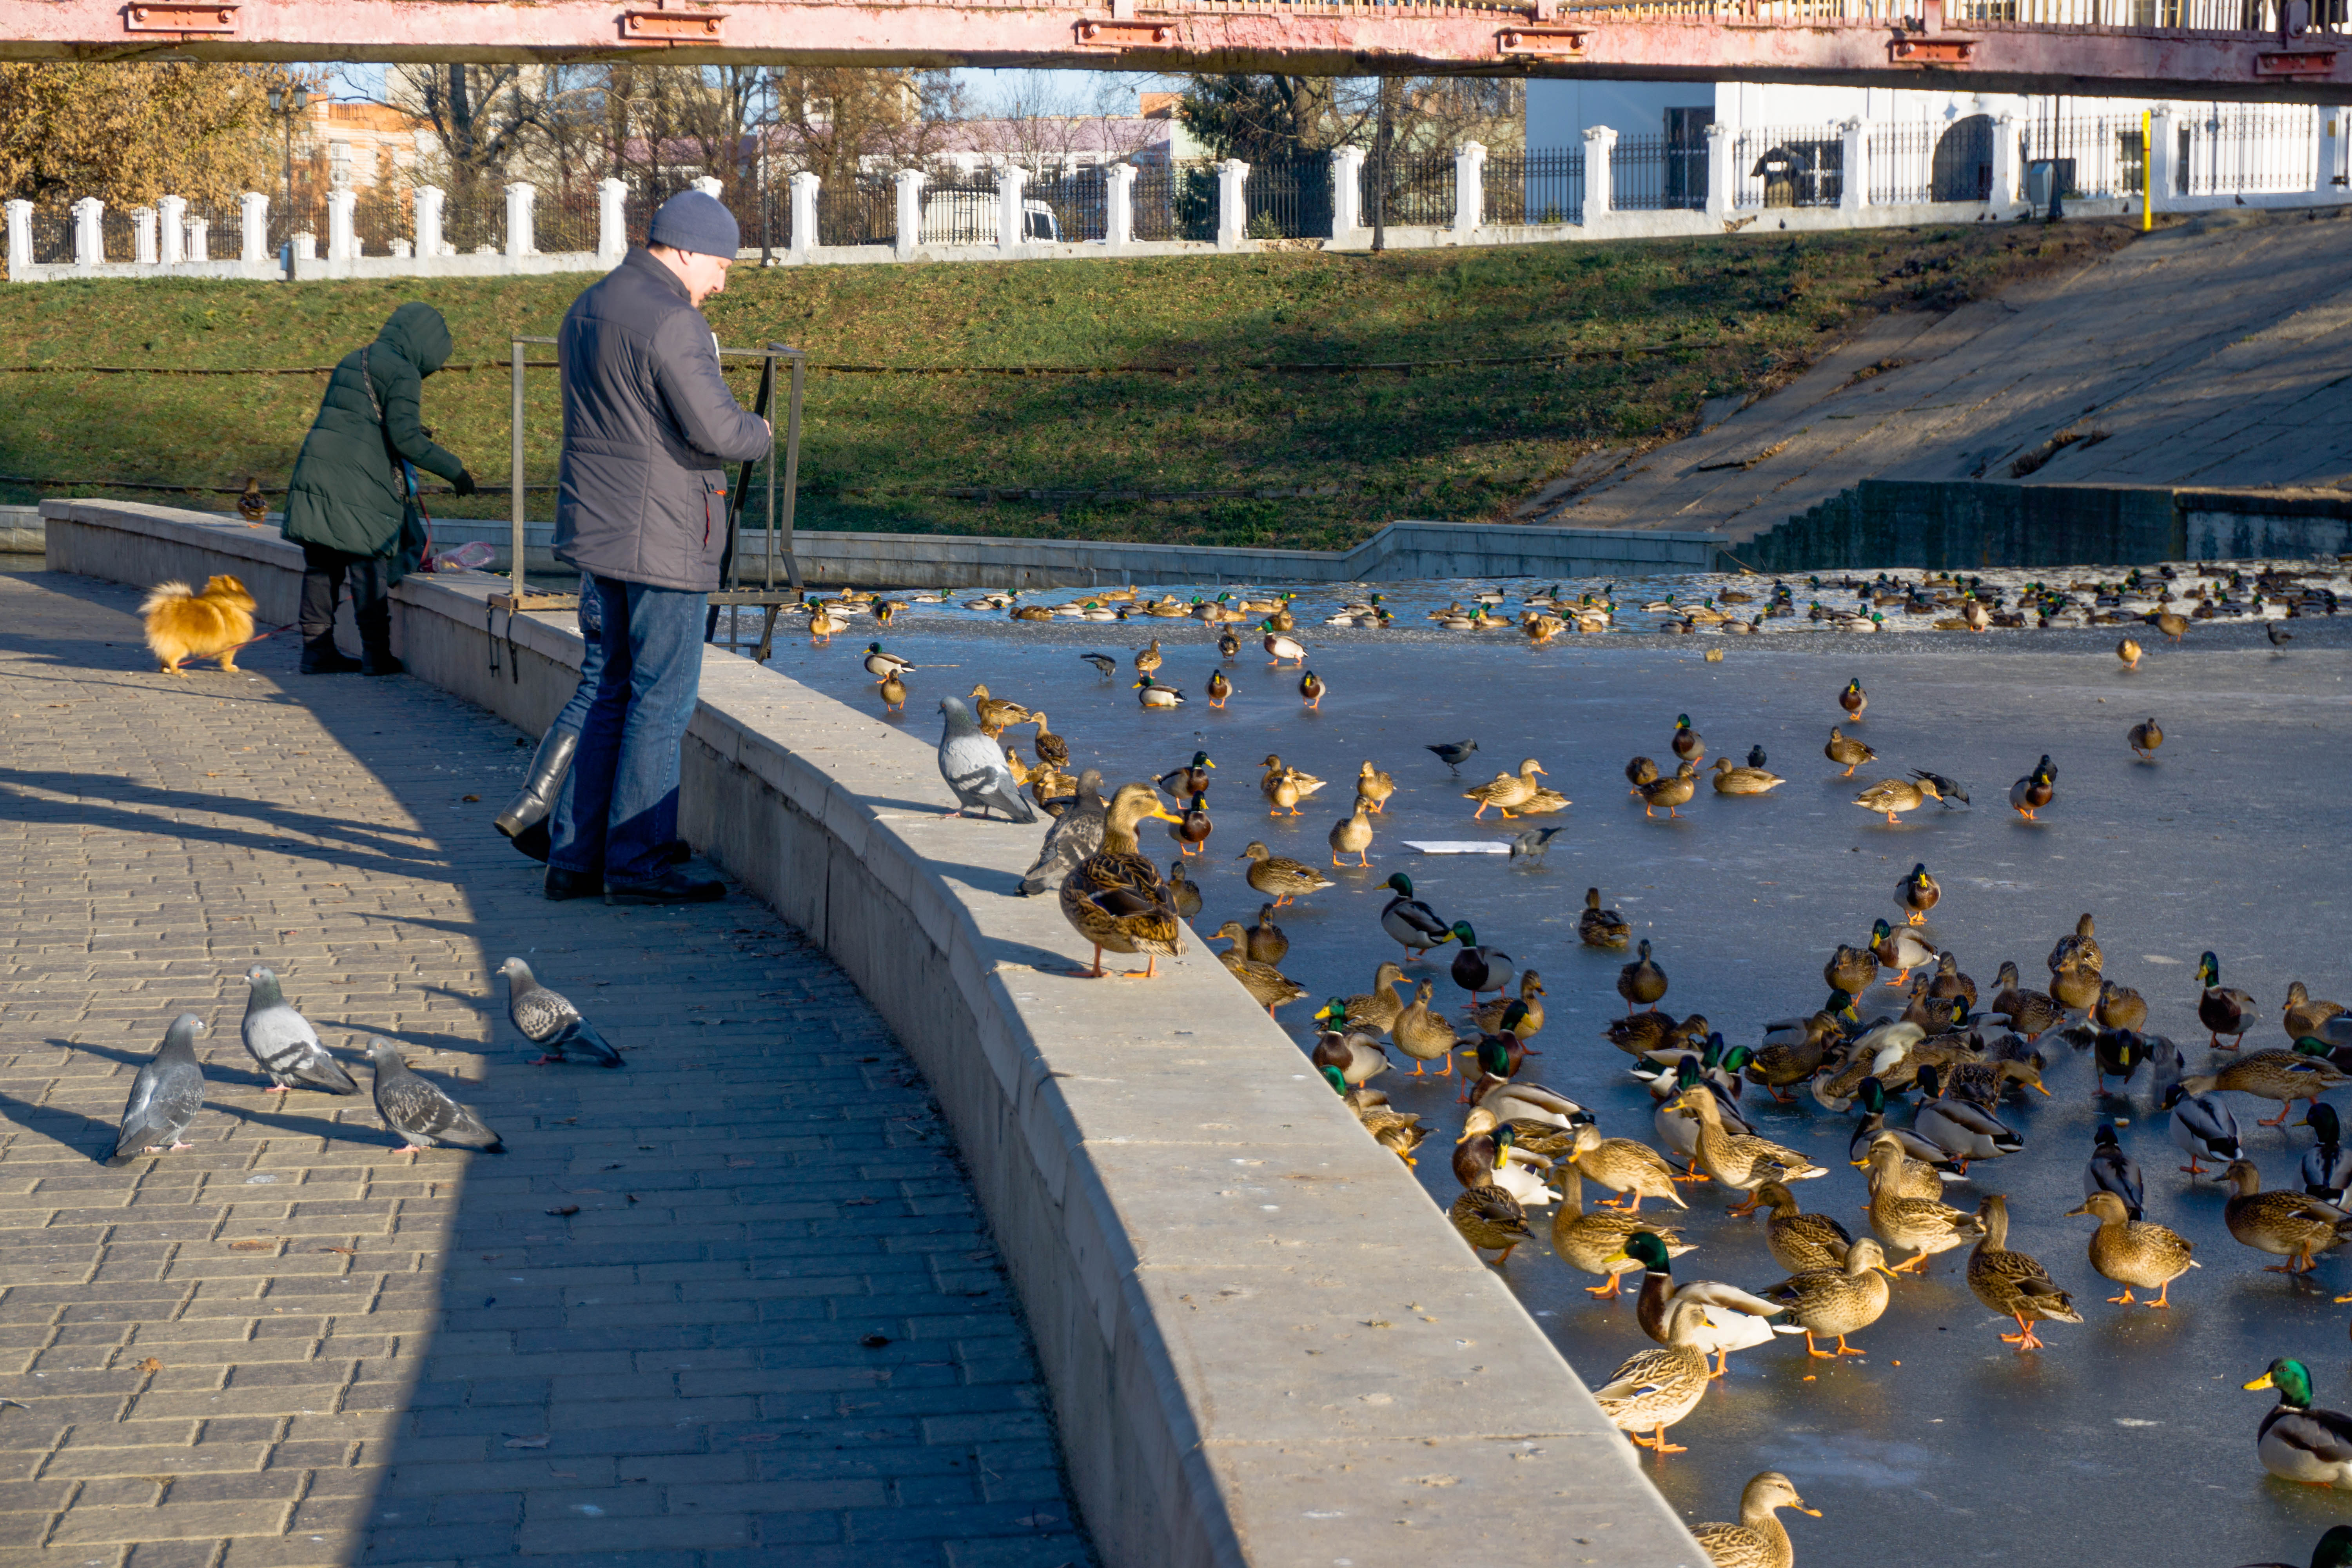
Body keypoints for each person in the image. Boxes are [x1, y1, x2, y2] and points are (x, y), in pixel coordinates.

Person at [542, 189, 771, 906]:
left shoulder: (588, 305)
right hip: (664, 538)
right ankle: (638, 864)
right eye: (721, 266)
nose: (723, 282)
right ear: (687, 250)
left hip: (601, 529)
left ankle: (574, 859)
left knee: (611, 688)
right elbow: (721, 432)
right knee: (662, 701)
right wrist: (764, 432)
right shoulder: (672, 320)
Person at [281, 302, 475, 675]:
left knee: (322, 567)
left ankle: (316, 651)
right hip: (359, 481)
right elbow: (406, 441)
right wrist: (456, 471)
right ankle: (376, 654)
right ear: (424, 342)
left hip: (317, 472)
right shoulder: (403, 372)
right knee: (369, 564)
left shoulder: (356, 358)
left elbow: (359, 419)